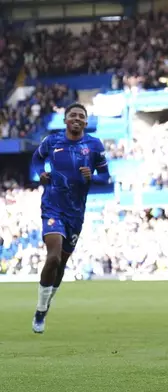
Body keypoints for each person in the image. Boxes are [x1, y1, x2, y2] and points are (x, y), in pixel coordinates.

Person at [31, 103, 111, 334]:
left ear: (86, 122)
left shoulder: (94, 145)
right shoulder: (52, 141)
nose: (77, 119)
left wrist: (92, 177)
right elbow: (37, 159)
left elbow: (106, 176)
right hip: (52, 207)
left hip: (76, 213)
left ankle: (45, 306)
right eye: (72, 115)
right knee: (53, 257)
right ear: (65, 120)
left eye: (81, 116)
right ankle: (40, 309)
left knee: (62, 264)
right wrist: (41, 173)